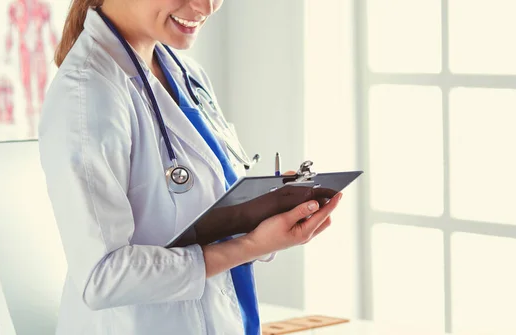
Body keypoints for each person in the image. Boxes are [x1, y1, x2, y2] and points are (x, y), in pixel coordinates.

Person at [38, 1, 343, 334]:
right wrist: (252, 245)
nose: (206, 6)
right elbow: (102, 278)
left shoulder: (186, 75)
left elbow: (205, 214)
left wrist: (268, 208)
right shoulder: (86, 94)